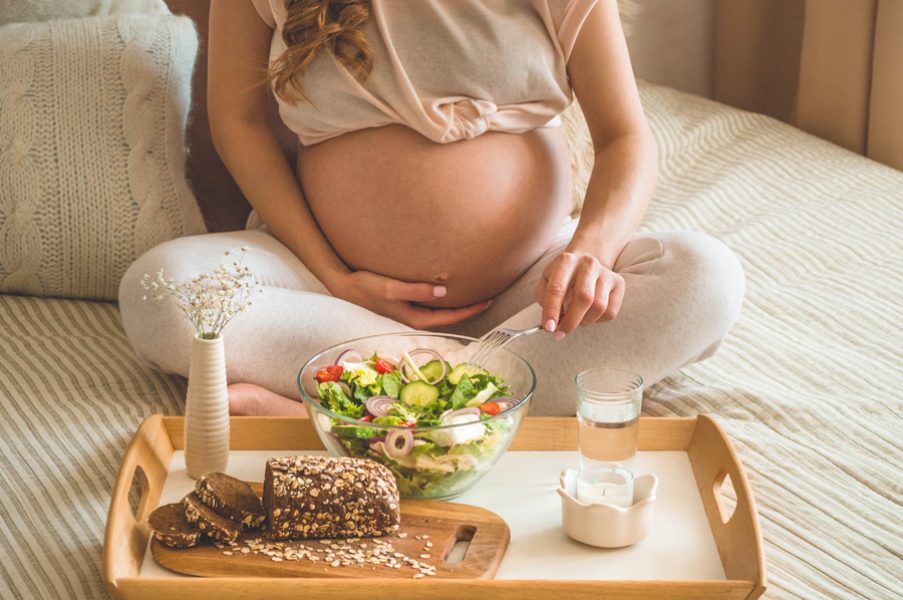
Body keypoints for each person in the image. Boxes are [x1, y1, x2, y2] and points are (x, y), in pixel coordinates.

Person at [119, 0, 745, 416]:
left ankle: (365, 411)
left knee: (706, 277)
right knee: (163, 292)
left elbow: (626, 138)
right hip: (335, 292)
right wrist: (338, 278)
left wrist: (591, 251)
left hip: (528, 300)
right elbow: (238, 122)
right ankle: (476, 406)